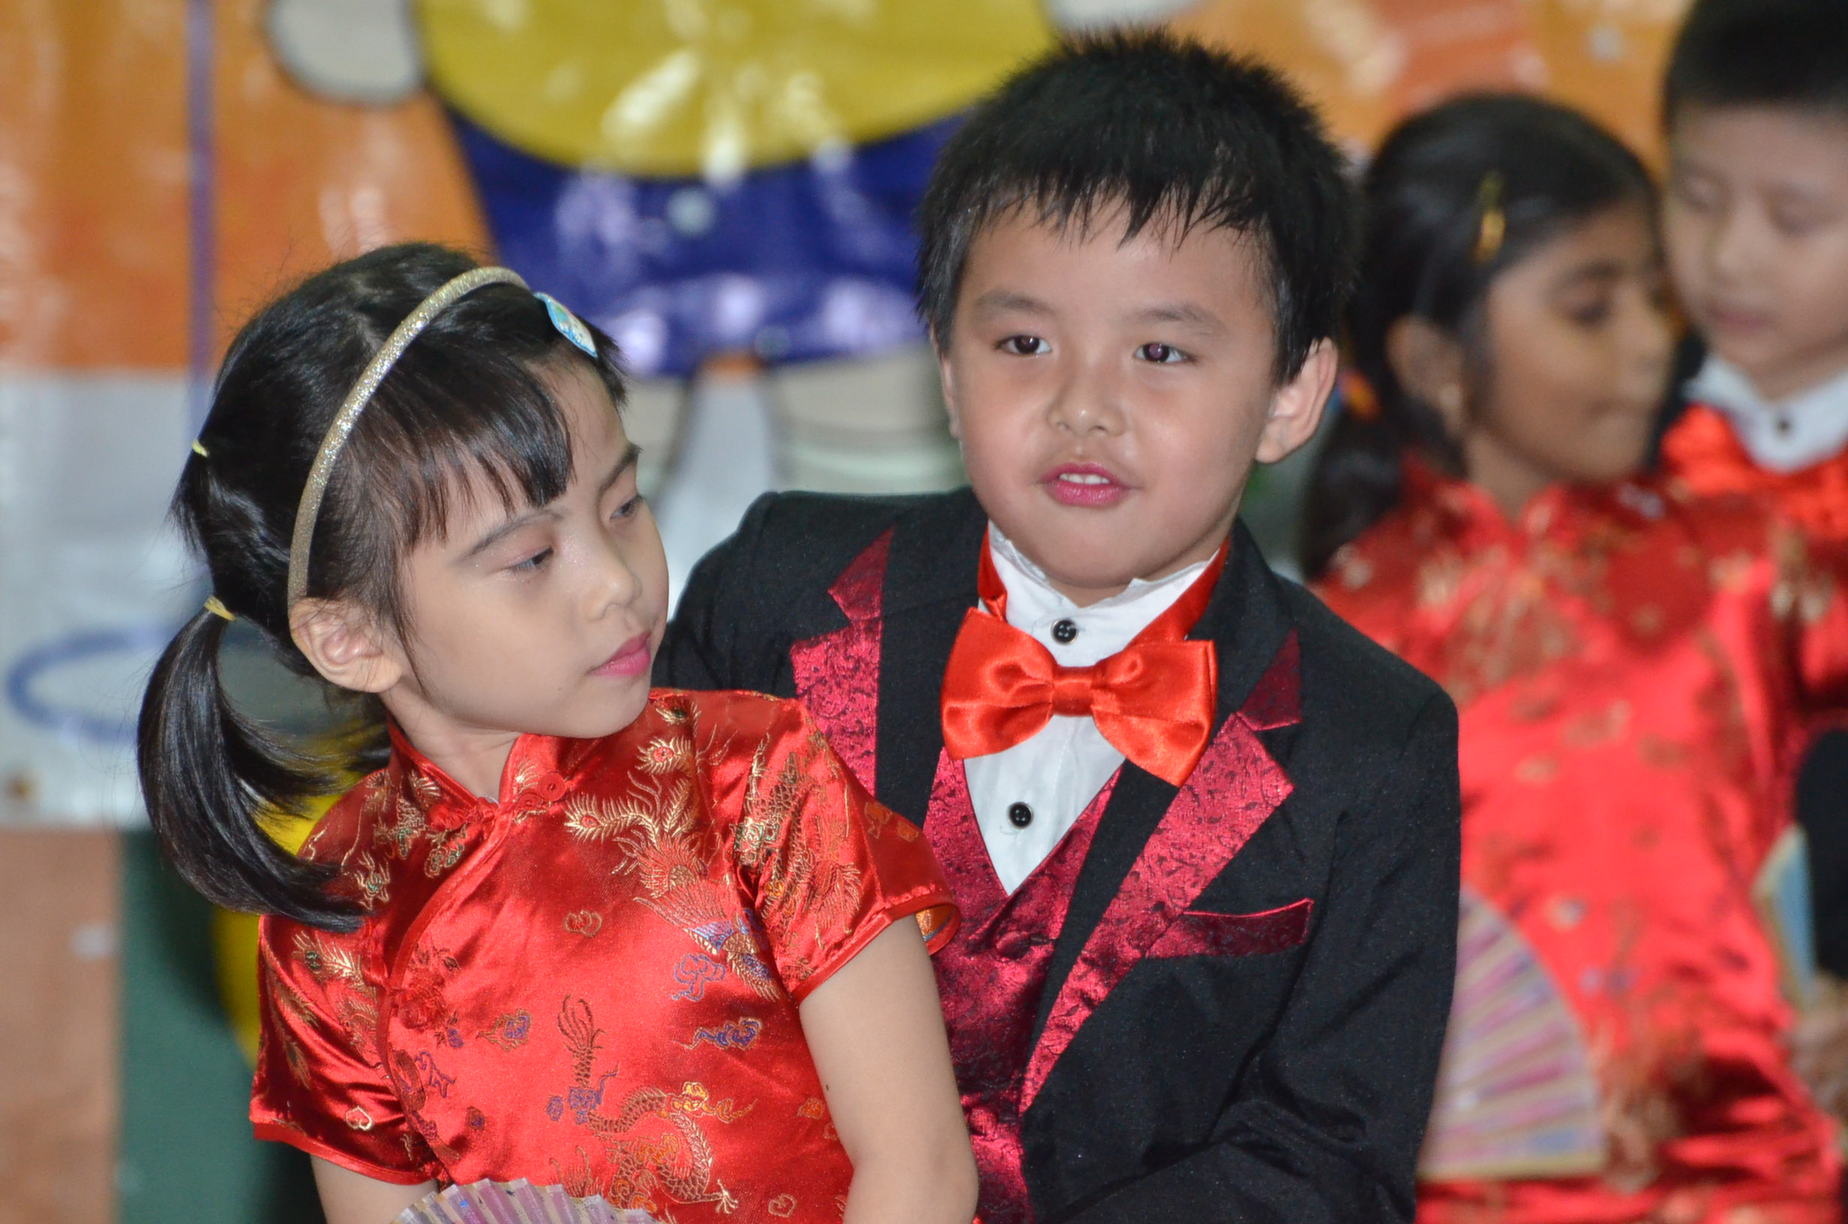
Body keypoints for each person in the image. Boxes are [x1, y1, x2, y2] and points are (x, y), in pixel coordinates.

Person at [658, 32, 1463, 1223]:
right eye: (1024, 344)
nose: (1085, 406)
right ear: (946, 365)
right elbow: (630, 943)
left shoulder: (1374, 742)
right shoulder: (776, 593)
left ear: (1292, 394)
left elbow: (1325, 1161)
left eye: (1161, 352)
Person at [135, 244, 977, 1224]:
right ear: (352, 638)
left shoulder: (756, 778)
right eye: (532, 558)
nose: (616, 581)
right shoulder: (338, 912)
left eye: (623, 505)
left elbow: (920, 1169)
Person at [1304, 92, 1848, 1223]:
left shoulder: (1750, 561)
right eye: (1592, 308)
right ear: (1434, 358)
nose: (1653, 341)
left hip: (1758, 1181)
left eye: (1654, 295)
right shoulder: (1335, 643)